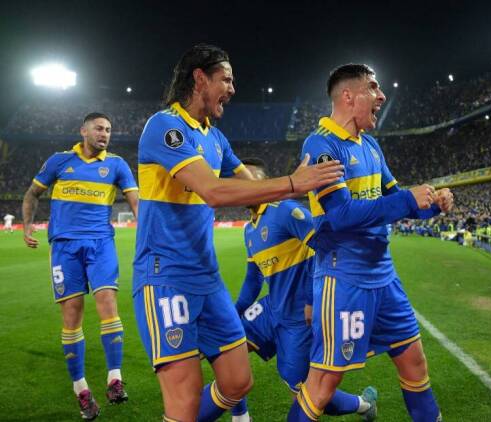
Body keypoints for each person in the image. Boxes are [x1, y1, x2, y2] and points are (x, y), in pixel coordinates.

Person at [132, 44, 343, 422]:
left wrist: (318, 195)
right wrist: (293, 182)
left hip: (207, 280)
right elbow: (213, 192)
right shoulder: (166, 127)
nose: (232, 88)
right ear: (199, 78)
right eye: (225, 79)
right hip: (166, 278)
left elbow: (258, 195)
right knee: (182, 403)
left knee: (237, 382)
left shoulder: (216, 138)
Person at [287, 64, 453, 422]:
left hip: (385, 277)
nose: (382, 97)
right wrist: (409, 200)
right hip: (344, 278)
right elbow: (341, 214)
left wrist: (431, 207)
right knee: (324, 383)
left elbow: (393, 203)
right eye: (373, 88)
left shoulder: (372, 146)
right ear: (348, 96)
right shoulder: (321, 144)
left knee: (414, 362)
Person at [230, 158, 377, 422]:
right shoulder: (250, 229)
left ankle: (364, 405)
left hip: (299, 316)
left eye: (245, 180)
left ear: (263, 182)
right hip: (271, 308)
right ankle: (241, 418)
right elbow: (253, 279)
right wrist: (233, 312)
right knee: (228, 346)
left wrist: (311, 299)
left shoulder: (285, 210)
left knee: (306, 391)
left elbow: (326, 246)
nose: (239, 186)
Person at [22, 112, 139, 420]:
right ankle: (81, 390)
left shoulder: (116, 165)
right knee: (72, 315)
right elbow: (32, 193)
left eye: (109, 130)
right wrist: (27, 225)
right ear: (84, 130)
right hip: (64, 248)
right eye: (99, 128)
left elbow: (136, 200)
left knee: (108, 302)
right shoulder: (60, 161)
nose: (105, 134)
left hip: (101, 244)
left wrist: (146, 228)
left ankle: (115, 379)